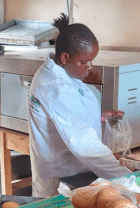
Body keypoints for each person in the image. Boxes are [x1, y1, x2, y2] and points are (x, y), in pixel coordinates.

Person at [28, 13, 131, 198]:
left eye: (91, 61)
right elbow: (84, 144)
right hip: (60, 183)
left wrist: (98, 118)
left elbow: (68, 115)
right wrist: (128, 180)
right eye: (84, 62)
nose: (90, 67)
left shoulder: (60, 72)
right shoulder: (54, 87)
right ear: (65, 57)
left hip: (73, 173)